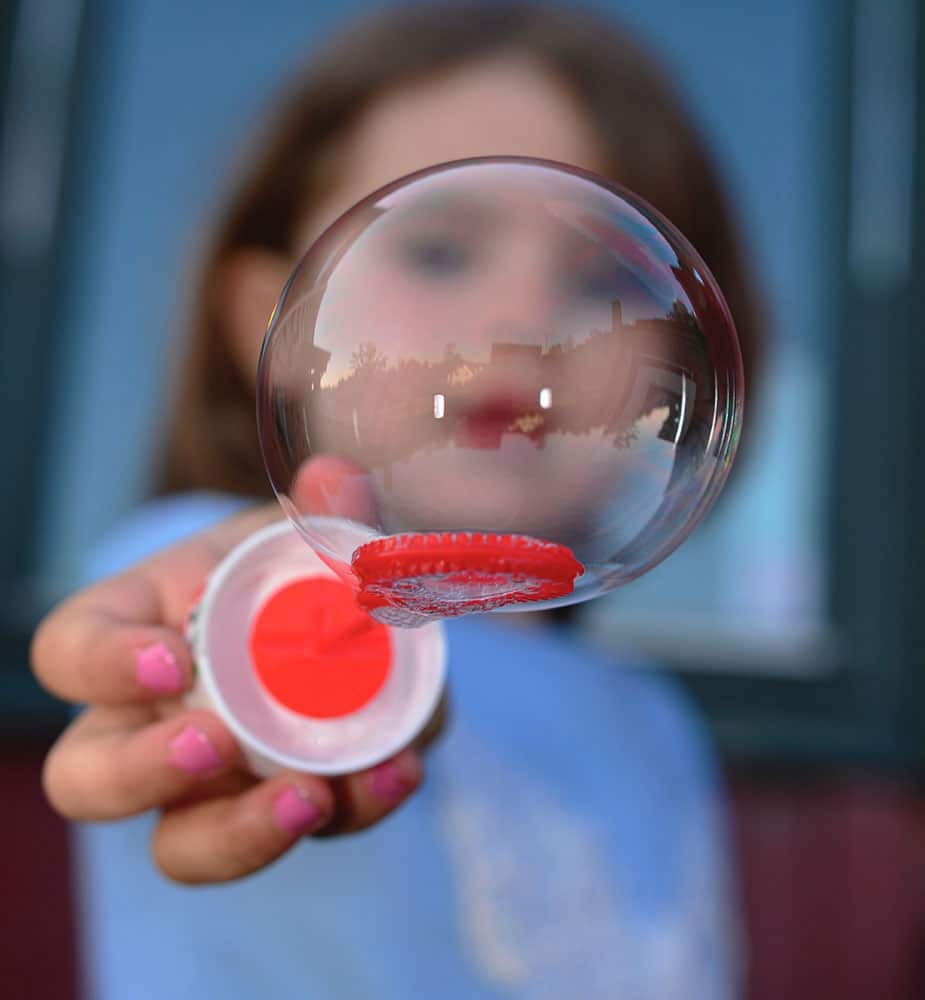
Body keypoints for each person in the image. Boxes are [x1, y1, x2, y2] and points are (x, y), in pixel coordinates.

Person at [31, 4, 763, 998]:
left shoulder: (654, 722)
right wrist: (247, 639)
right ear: (268, 323)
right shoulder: (220, 574)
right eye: (441, 253)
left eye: (599, 283)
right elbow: (218, 634)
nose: (523, 319)